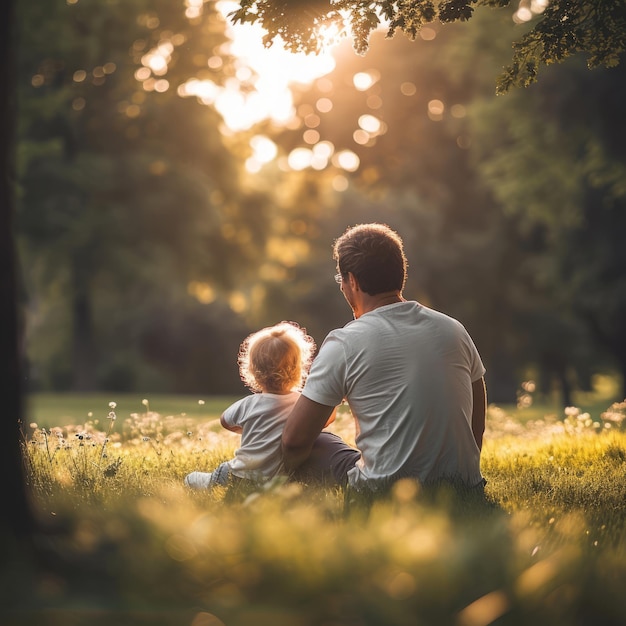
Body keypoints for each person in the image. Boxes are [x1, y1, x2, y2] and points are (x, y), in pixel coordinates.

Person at [281, 223, 487, 493]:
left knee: (317, 443)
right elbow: (476, 422)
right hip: (463, 485)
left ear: (352, 281)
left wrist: (283, 471)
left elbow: (295, 441)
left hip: (384, 490)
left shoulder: (345, 342)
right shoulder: (454, 329)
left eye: (341, 281)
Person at [184, 321, 358, 489]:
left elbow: (225, 421)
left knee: (203, 478)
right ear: (299, 369)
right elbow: (325, 419)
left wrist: (255, 428)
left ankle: (197, 481)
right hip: (274, 480)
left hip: (238, 474)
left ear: (251, 369)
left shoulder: (248, 405)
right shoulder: (303, 405)